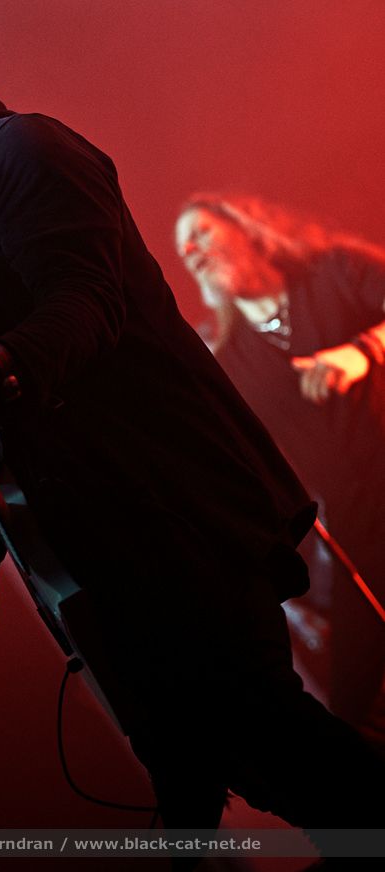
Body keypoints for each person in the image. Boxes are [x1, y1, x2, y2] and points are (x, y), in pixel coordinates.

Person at [0, 0, 384, 846]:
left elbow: (86, 301)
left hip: (173, 512)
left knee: (270, 740)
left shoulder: (22, 149)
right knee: (200, 771)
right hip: (99, 556)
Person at [175, 193, 385, 738]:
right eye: (183, 250)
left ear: (247, 228)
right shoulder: (228, 362)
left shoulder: (333, 270)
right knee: (354, 709)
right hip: (360, 529)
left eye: (201, 233)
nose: (191, 251)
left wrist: (364, 350)